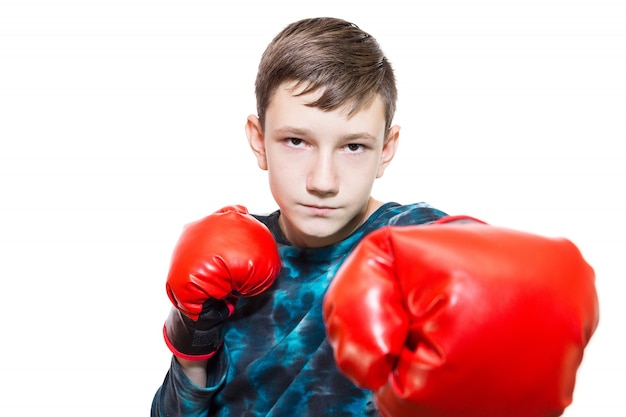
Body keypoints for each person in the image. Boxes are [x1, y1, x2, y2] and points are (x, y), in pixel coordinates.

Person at [151, 17, 599, 417]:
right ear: (258, 139)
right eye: (296, 141)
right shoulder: (228, 259)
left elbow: (526, 288)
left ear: (386, 150)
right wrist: (192, 342)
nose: (322, 180)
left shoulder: (415, 241)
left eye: (353, 147)